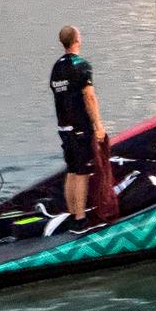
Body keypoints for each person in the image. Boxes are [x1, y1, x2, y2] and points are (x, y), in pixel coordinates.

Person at [50, 26, 107, 234]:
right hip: (80, 126)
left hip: (63, 126)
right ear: (77, 40)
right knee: (82, 172)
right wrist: (99, 125)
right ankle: (81, 219)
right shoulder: (81, 65)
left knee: (72, 170)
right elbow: (89, 97)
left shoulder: (56, 67)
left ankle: (73, 214)